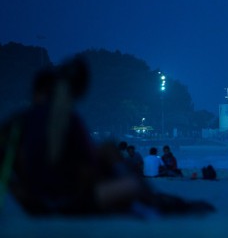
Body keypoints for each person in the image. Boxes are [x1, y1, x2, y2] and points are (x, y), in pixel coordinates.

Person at [3, 57, 215, 216]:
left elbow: (10, 174)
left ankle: (157, 201)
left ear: (35, 93)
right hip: (68, 201)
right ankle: (160, 203)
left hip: (39, 200)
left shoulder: (17, 122)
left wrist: (25, 200)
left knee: (109, 155)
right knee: (126, 178)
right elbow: (86, 168)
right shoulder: (64, 119)